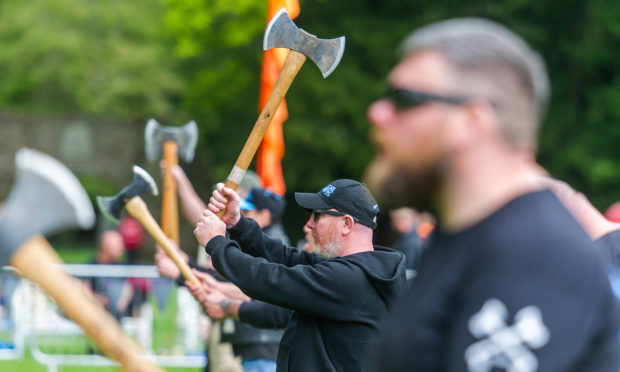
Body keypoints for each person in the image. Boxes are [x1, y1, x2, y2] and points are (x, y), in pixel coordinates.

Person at [365, 18, 619, 371]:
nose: (377, 113)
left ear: (471, 120)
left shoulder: (535, 253)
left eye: (405, 99)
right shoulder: (467, 237)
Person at [193, 179, 407, 372]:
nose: (309, 224)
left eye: (318, 215)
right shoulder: (354, 271)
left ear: (347, 224)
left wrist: (217, 244)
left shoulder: (348, 279)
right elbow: (285, 258)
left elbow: (270, 279)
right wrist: (237, 224)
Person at [389, 207, 422, 280]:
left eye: (399, 219)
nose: (395, 222)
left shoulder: (411, 242)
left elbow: (409, 269)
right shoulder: (406, 238)